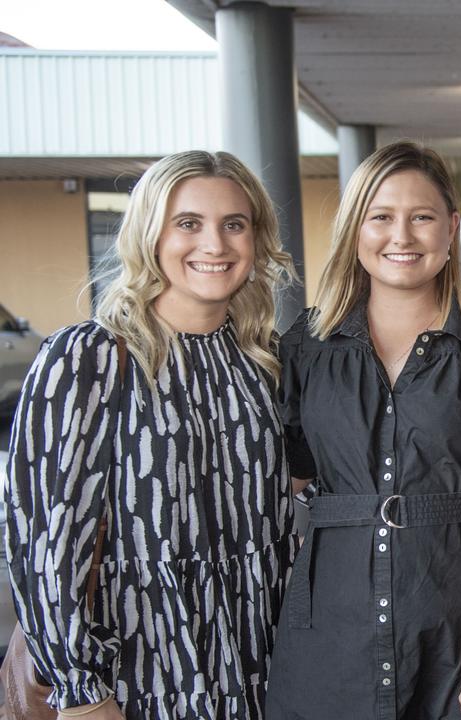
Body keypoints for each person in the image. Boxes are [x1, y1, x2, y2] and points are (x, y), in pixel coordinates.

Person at [264, 141, 461, 720]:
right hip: (328, 649)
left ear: (452, 227)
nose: (401, 236)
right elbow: (289, 478)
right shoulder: (304, 351)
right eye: (380, 217)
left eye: (422, 217)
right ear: (355, 229)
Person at [4, 150, 297, 719]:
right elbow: (46, 539)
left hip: (262, 665)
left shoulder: (264, 363)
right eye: (188, 223)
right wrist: (82, 691)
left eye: (234, 225)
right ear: (149, 235)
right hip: (138, 672)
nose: (214, 244)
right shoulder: (85, 358)